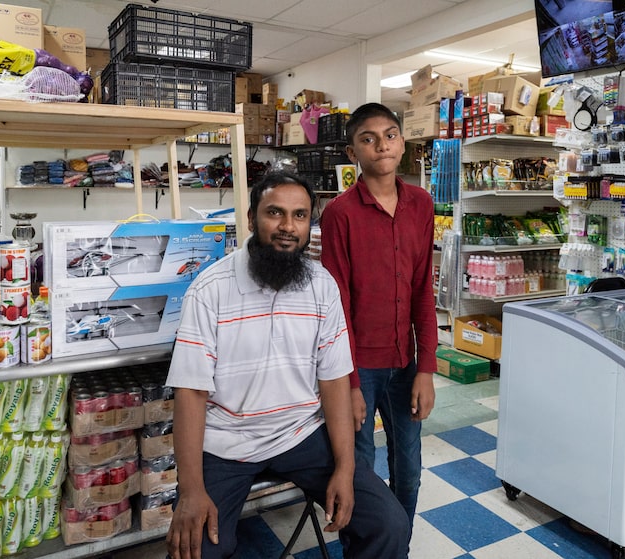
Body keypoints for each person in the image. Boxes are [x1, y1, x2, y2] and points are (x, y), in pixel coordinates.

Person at [164, 171, 409, 559]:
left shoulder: (321, 285)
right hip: (227, 442)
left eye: (299, 216)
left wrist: (345, 468)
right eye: (274, 213)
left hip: (301, 435)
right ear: (250, 218)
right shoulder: (209, 291)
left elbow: (333, 383)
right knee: (199, 549)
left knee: (388, 525)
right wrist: (191, 490)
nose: (287, 227)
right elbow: (191, 392)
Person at [320, 103, 437, 531]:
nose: (381, 145)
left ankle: (398, 543)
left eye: (390, 135)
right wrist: (349, 384)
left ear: (402, 143)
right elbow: (338, 309)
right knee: (360, 468)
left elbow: (424, 289)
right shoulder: (340, 214)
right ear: (353, 152)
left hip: (405, 362)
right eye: (368, 139)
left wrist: (426, 368)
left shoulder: (422, 205)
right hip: (360, 367)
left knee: (408, 465)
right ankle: (364, 547)